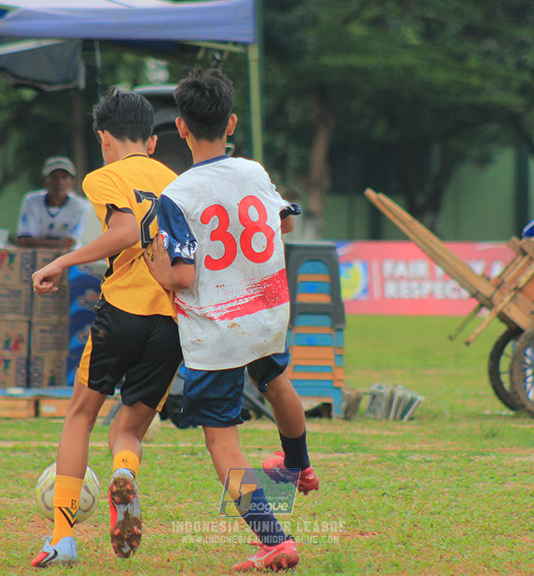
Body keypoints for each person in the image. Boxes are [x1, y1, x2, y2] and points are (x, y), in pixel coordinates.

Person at [145, 69, 316, 572]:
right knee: (276, 382)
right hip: (265, 313)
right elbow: (284, 222)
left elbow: (182, 275)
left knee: (222, 439)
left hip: (217, 331)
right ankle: (299, 466)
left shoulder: (177, 194)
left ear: (181, 127)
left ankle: (274, 540)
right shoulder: (253, 171)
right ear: (232, 123)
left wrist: (158, 271)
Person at [28, 88, 181, 568]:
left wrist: (62, 262)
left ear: (103, 139)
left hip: (122, 312)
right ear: (152, 142)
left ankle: (62, 538)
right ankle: (124, 473)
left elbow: (125, 231)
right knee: (129, 429)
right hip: (171, 320)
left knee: (80, 415)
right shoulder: (176, 181)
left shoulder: (105, 177)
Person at [16, 156, 91, 250]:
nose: (59, 182)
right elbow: (24, 240)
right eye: (54, 177)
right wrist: (59, 243)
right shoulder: (31, 201)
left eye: (64, 177)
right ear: (44, 181)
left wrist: (37, 241)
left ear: (72, 182)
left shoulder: (79, 205)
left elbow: (70, 242)